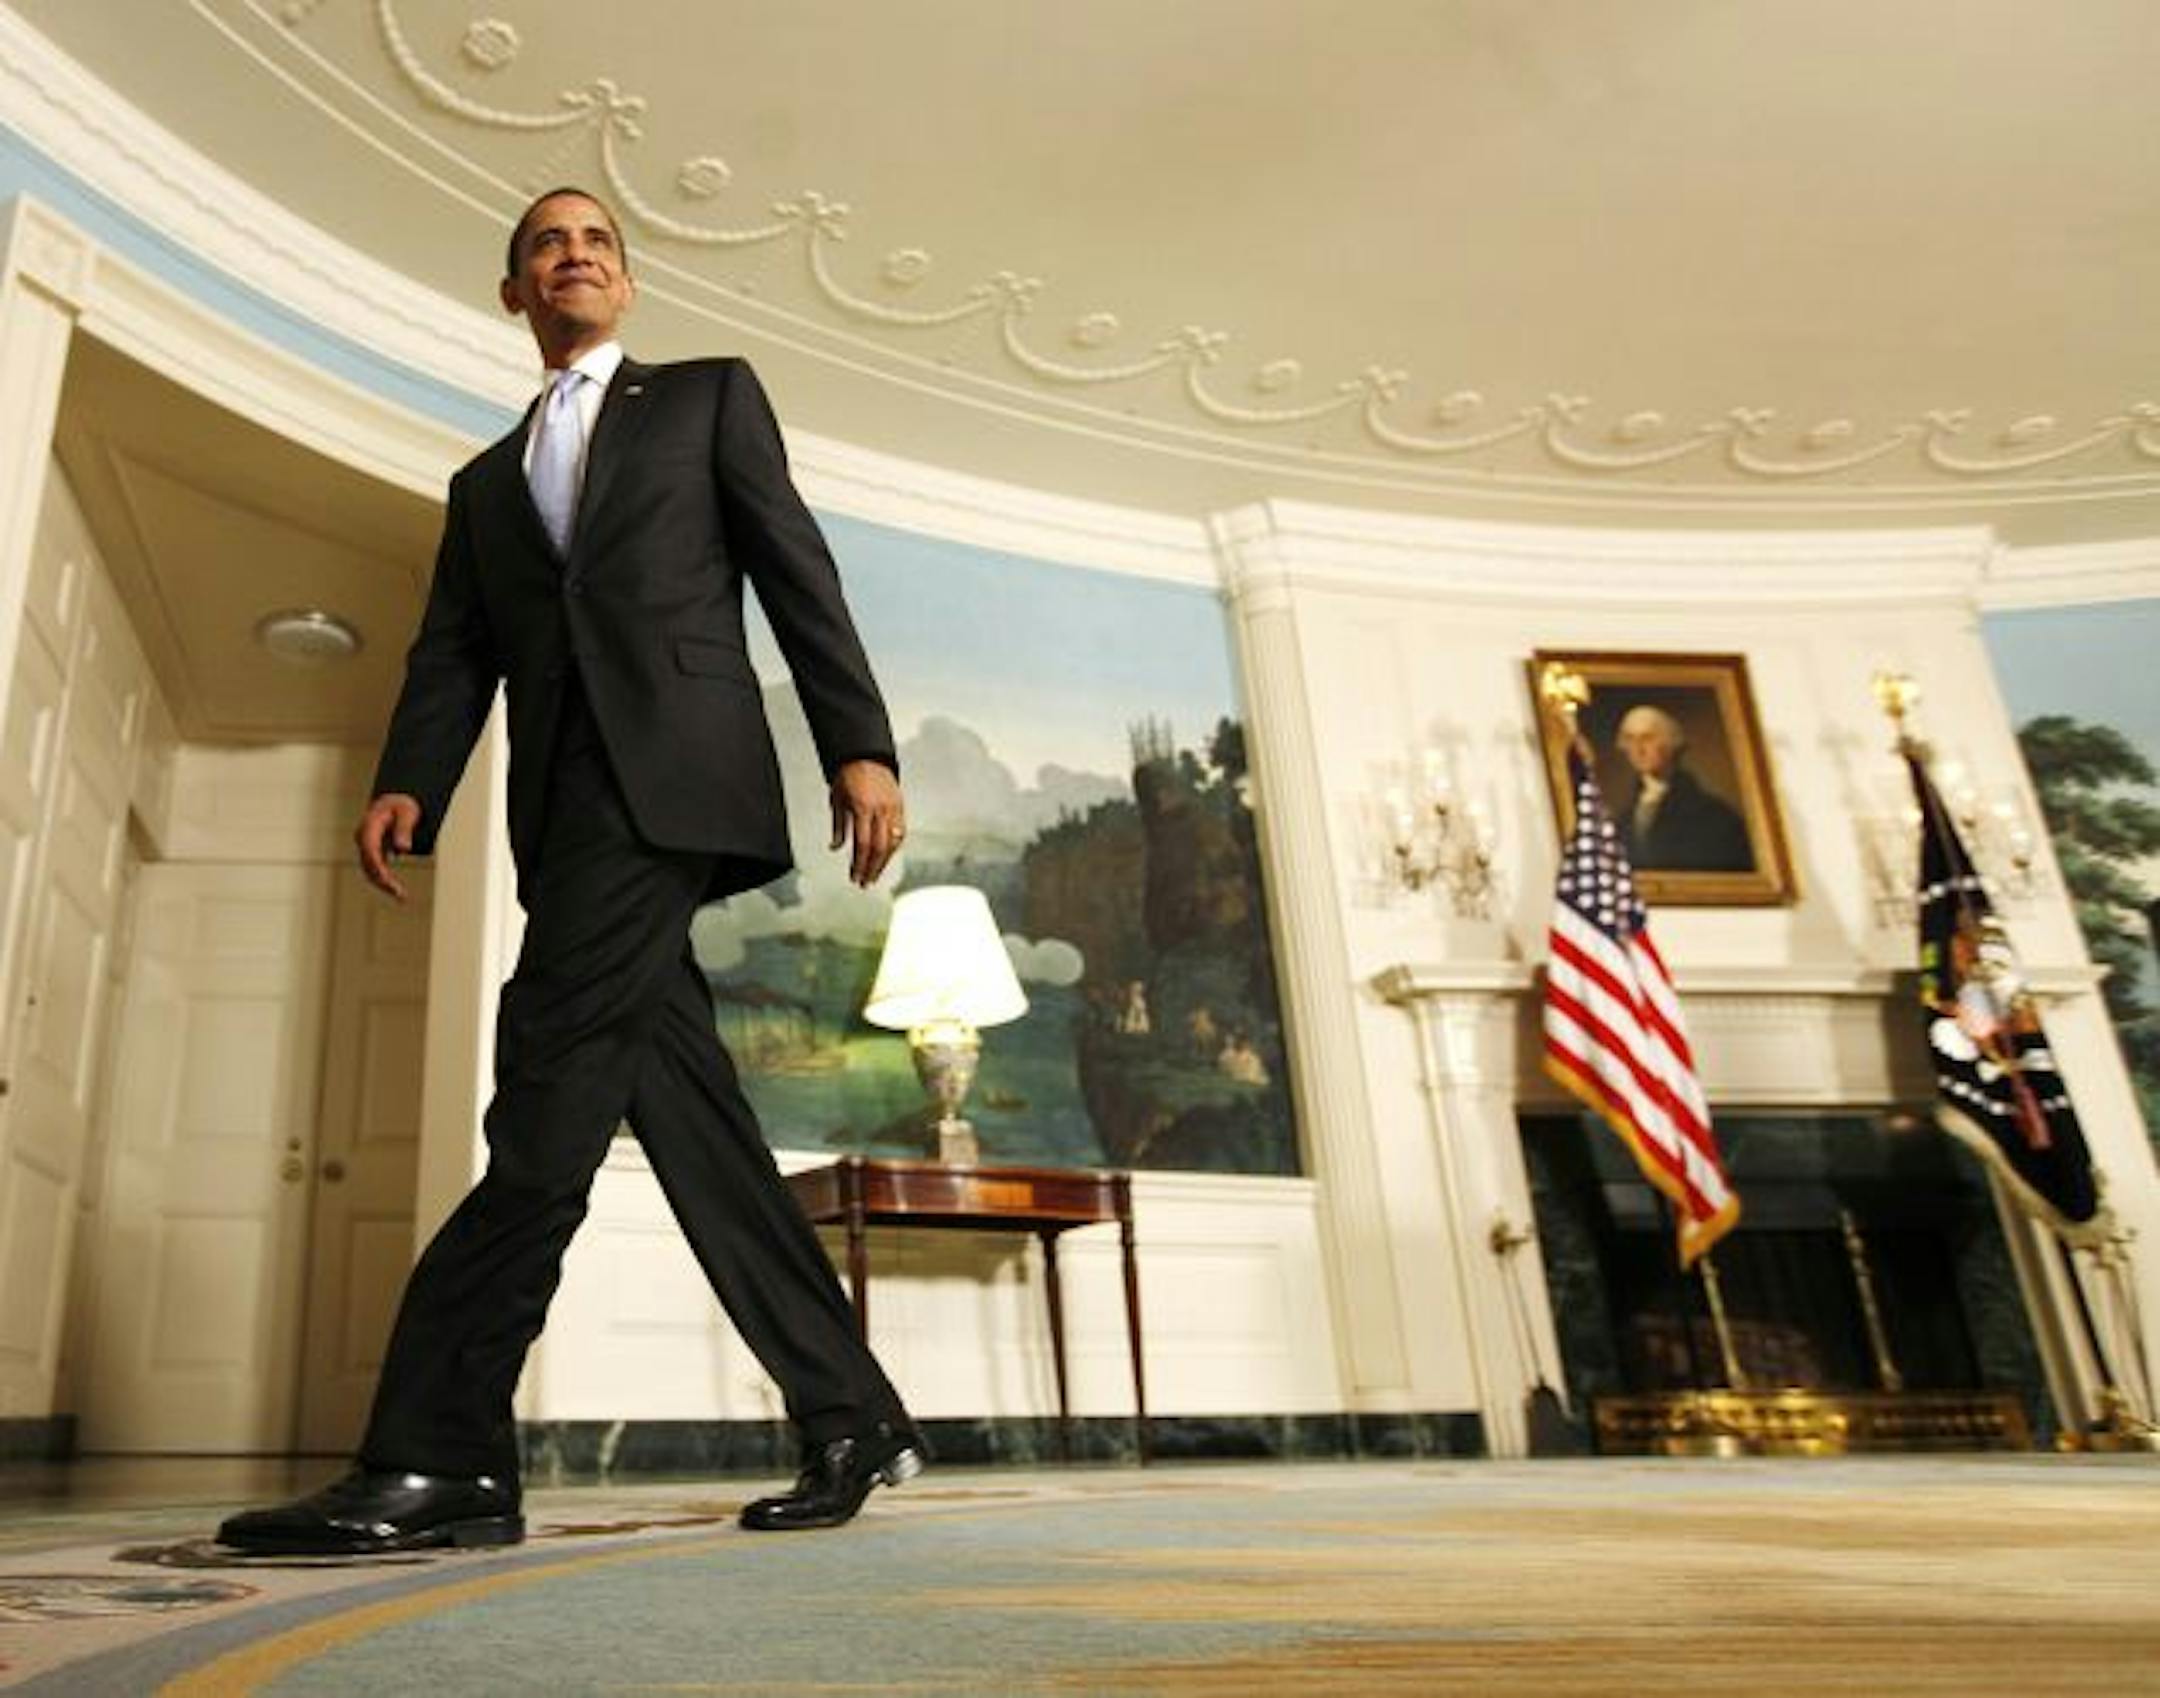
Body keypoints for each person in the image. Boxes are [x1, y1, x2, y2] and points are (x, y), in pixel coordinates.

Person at [218, 188, 922, 1555]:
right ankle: (854, 1411)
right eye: (548, 244)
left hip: (676, 780)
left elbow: (796, 569)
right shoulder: (482, 485)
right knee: (690, 1119)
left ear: (626, 281)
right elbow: (452, 651)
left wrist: (860, 742)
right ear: (515, 294)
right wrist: (407, 781)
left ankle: (442, 1452)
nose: (576, 254)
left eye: (597, 239)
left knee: (542, 1079)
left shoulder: (710, 397)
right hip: (566, 803)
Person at [1612, 704, 1752, 874]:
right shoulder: (1622, 819)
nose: (1638, 749)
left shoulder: (1714, 816)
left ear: (1672, 744)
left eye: (1647, 738)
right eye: (1629, 740)